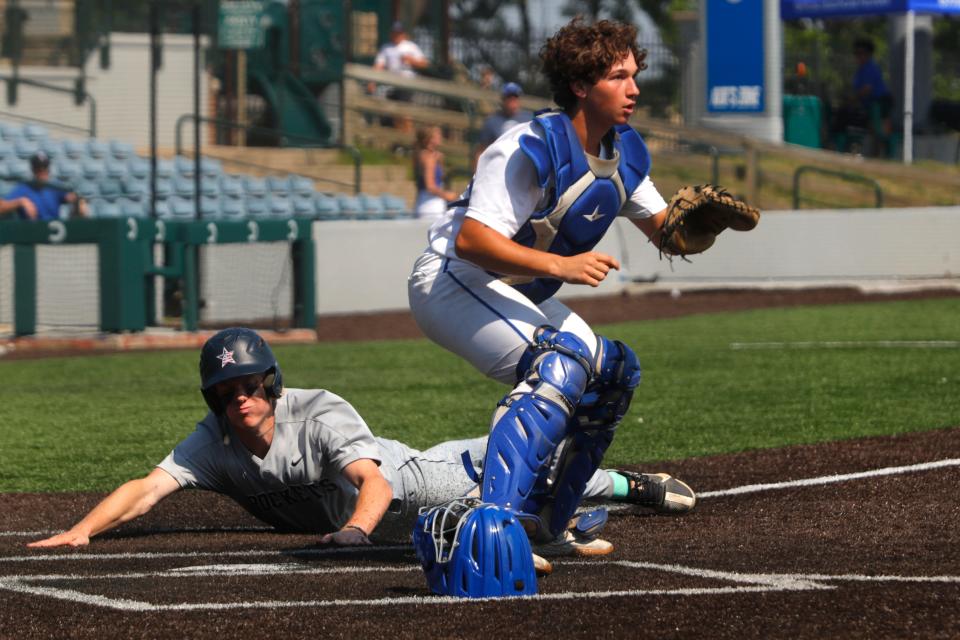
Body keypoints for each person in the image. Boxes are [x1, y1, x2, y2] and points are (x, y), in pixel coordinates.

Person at [407, 18, 700, 557]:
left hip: (509, 289)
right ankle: (496, 527)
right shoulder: (527, 145)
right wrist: (559, 266)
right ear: (581, 85)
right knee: (561, 362)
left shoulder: (624, 155)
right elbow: (472, 240)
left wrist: (699, 228)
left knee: (613, 373)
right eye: (618, 76)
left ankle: (550, 521)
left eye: (634, 74)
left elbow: (670, 233)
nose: (633, 88)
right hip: (451, 278)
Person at [27, 327, 675, 551]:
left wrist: (356, 535)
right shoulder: (213, 441)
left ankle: (626, 484)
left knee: (509, 477)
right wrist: (84, 529)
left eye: (251, 386)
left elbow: (376, 483)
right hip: (382, 501)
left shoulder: (318, 413)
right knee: (489, 462)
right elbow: (147, 489)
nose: (241, 400)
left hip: (411, 489)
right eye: (228, 393)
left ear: (272, 384)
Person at [4, 152, 88, 220]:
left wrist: (78, 201)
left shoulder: (54, 186)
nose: (42, 172)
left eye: (45, 169)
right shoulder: (24, 188)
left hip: (54, 231)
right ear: (33, 170)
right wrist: (20, 201)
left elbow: (70, 196)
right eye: (39, 169)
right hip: (33, 233)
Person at [473, 82, 533, 168]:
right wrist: (476, 173)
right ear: (503, 99)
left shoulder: (528, 119)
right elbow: (480, 150)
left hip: (522, 166)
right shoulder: (491, 122)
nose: (512, 102)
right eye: (509, 98)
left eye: (515, 98)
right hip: (498, 167)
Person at [413, 126, 459, 221]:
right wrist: (447, 195)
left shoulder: (424, 155)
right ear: (429, 139)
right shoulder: (428, 158)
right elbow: (430, 186)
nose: (440, 137)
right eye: (437, 135)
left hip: (427, 202)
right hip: (430, 205)